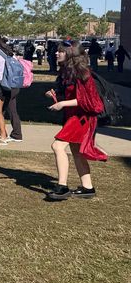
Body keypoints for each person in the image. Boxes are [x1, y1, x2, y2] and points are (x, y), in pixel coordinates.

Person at [45, 41, 107, 201]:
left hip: (81, 118)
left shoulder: (82, 72)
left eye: (60, 51)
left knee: (57, 146)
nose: (56, 54)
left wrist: (63, 103)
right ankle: (88, 188)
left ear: (70, 53)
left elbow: (91, 102)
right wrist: (56, 96)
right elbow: (73, 96)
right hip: (72, 116)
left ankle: (62, 187)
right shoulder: (67, 72)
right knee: (77, 152)